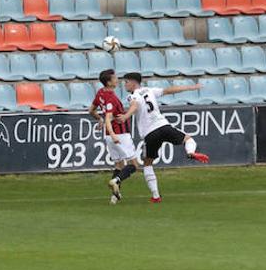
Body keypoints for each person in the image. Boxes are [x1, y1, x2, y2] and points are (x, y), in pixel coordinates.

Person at [116, 72, 209, 203]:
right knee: (188, 139)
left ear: (133, 82)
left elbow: (135, 105)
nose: (124, 84)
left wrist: (126, 116)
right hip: (163, 126)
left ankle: (156, 196)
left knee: (148, 163)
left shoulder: (132, 96)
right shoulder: (149, 90)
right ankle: (190, 152)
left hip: (150, 133)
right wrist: (191, 87)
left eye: (126, 82)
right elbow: (170, 90)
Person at [90, 69, 153, 205]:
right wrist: (113, 134)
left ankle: (114, 197)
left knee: (119, 165)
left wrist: (99, 120)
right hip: (119, 135)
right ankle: (116, 181)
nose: (117, 80)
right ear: (109, 82)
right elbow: (108, 117)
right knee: (134, 165)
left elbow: (92, 110)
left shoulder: (100, 93)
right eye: (114, 78)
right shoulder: (111, 98)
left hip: (109, 136)